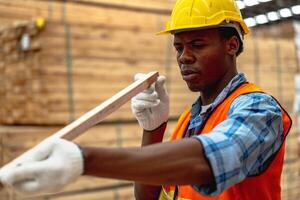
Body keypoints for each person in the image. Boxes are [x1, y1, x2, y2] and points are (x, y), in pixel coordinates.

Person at [0, 0, 292, 199]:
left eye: (197, 45)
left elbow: (213, 158)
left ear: (232, 45)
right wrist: (152, 130)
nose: (184, 57)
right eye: (178, 47)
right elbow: (148, 195)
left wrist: (83, 159)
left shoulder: (258, 108)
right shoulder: (192, 120)